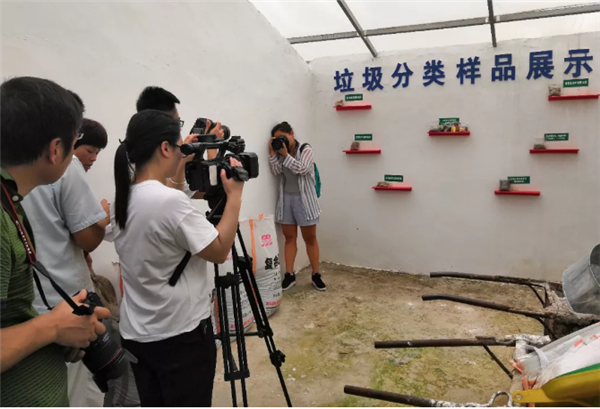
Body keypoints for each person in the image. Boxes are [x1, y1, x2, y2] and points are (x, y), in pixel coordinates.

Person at [112, 109, 245, 406]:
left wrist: (182, 163)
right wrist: (235, 196)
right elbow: (219, 250)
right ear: (164, 148)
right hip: (179, 335)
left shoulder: (124, 196)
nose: (180, 152)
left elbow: (166, 202)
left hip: (138, 334)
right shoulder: (168, 202)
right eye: (178, 147)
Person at [0, 76, 109, 406]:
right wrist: (52, 327)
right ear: (56, 149)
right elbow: (88, 237)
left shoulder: (11, 198)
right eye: (76, 143)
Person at [135, 86, 224, 199]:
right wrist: (212, 146)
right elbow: (212, 190)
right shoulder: (153, 173)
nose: (179, 134)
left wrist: (186, 159)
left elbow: (201, 191)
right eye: (176, 124)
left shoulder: (138, 157)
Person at [268, 121, 325, 291]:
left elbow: (302, 169)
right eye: (277, 139)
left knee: (310, 238)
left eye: (283, 137)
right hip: (286, 199)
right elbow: (277, 172)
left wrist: (285, 155)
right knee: (289, 238)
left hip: (305, 200)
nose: (282, 141)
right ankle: (289, 275)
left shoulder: (305, 149)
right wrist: (273, 153)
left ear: (291, 133)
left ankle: (316, 274)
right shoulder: (280, 152)